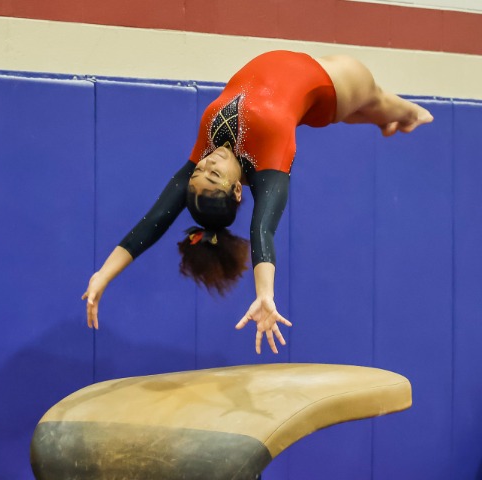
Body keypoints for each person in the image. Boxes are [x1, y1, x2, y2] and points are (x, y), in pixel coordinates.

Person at [82, 50, 433, 355]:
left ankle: (388, 122)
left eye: (199, 170)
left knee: (358, 112)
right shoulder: (269, 152)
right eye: (214, 173)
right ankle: (409, 114)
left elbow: (155, 219)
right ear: (238, 190)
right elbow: (263, 229)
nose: (207, 161)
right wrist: (265, 295)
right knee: (374, 97)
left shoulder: (208, 149)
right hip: (328, 86)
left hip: (308, 102)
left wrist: (103, 274)